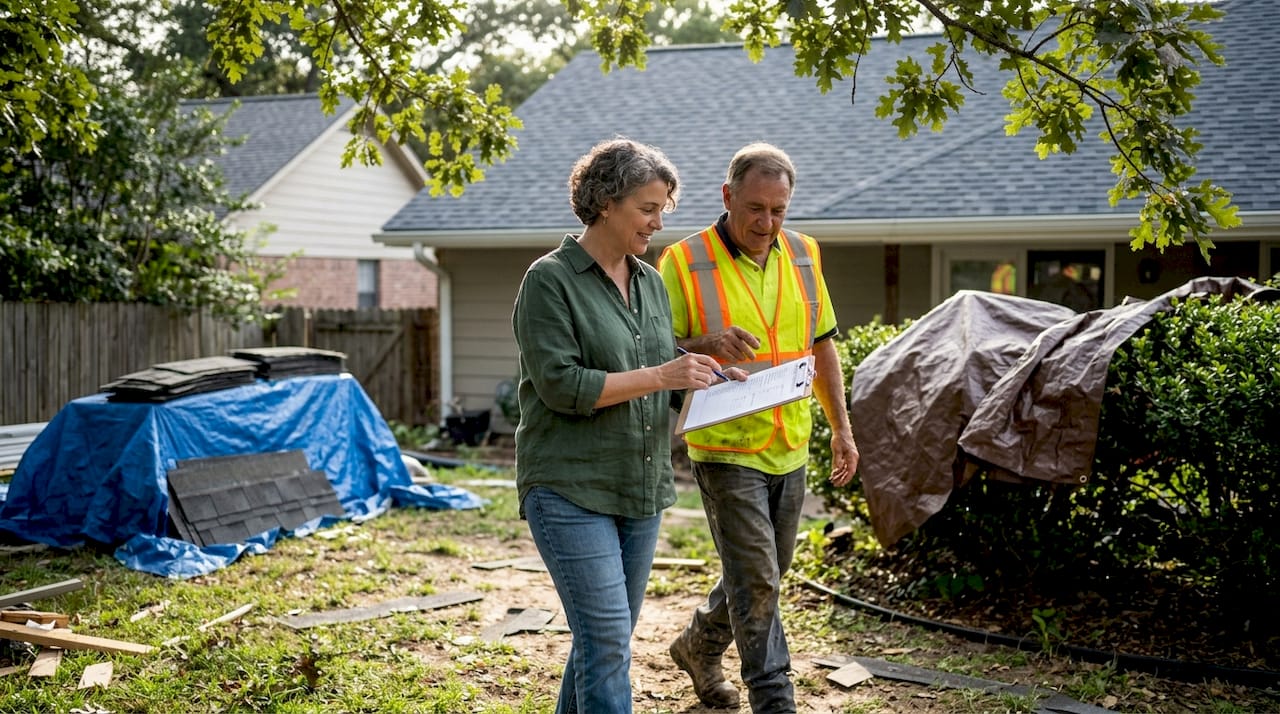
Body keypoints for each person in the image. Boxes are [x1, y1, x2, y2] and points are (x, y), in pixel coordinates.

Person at [511, 137, 743, 714]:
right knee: (610, 640)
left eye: (663, 208)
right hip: (568, 487)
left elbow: (657, 375)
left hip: (640, 489)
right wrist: (665, 373)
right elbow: (564, 386)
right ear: (605, 202)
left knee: (601, 641)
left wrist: (708, 377)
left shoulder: (649, 282)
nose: (659, 221)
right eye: (648, 208)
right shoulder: (550, 281)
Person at [657, 142, 861, 712]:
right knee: (759, 581)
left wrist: (841, 428)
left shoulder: (804, 253)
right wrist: (705, 344)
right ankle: (775, 699)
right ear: (727, 197)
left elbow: (820, 346)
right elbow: (646, 348)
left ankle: (699, 646)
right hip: (723, 447)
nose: (767, 223)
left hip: (789, 442)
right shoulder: (683, 260)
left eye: (778, 210)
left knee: (766, 572)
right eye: (755, 209)